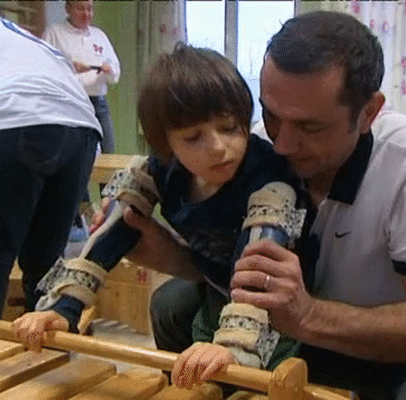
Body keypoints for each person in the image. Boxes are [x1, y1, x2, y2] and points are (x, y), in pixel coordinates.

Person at [146, 11, 406, 399]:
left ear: (368, 113)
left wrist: (308, 315)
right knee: (173, 302)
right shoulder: (257, 150)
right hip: (310, 334)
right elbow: (226, 267)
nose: (282, 144)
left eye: (310, 127)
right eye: (272, 115)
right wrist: (171, 255)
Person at [11, 44, 311, 388]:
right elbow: (112, 232)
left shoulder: (269, 178)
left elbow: (261, 269)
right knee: (182, 338)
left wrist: (233, 346)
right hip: (216, 287)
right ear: (165, 144)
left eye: (229, 127)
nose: (217, 147)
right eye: (193, 137)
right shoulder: (158, 170)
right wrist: (62, 308)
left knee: (240, 378)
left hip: (274, 306)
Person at [0, 18, 101, 315]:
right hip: (81, 126)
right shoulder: (20, 35)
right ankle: (47, 351)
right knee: (46, 261)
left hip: (18, 117)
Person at [43, 0, 120, 154]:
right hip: (69, 102)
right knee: (73, 155)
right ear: (68, 8)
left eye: (89, 9)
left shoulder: (99, 36)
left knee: (109, 151)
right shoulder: (54, 33)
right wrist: (70, 67)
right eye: (80, 9)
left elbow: (115, 72)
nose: (86, 14)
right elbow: (44, 69)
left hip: (98, 103)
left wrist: (109, 70)